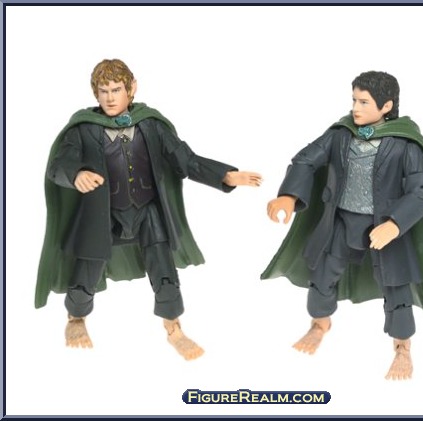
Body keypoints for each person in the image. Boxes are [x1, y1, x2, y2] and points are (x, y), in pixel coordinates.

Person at [36, 58, 262, 360]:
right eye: (103, 91)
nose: (110, 98)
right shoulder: (83, 129)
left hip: (147, 210)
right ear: (95, 93)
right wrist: (76, 174)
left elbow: (185, 160)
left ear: (132, 88)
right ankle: (76, 319)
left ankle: (174, 329)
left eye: (116, 89)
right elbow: (58, 165)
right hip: (102, 214)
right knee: (85, 275)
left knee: (165, 273)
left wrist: (225, 175)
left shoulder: (151, 125)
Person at [262, 71, 423, 380]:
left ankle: (402, 347)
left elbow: (422, 190)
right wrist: (289, 195)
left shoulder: (405, 143)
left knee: (396, 289)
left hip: (384, 227)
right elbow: (306, 160)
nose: (356, 107)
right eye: (354, 100)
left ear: (386, 106)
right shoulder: (340, 134)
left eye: (364, 102)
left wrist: (395, 223)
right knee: (322, 275)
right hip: (341, 221)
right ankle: (320, 323)